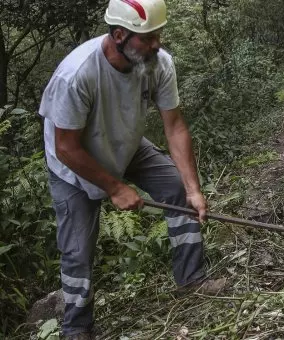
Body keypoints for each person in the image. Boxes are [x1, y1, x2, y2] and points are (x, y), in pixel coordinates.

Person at [39, 0, 224, 338]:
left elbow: (175, 127)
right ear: (120, 34)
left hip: (126, 144)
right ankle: (77, 326)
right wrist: (115, 187)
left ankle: (191, 279)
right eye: (148, 37)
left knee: (178, 188)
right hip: (74, 162)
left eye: (158, 36)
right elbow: (66, 146)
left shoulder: (159, 64)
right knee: (77, 248)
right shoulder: (78, 73)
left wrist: (194, 190)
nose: (157, 44)